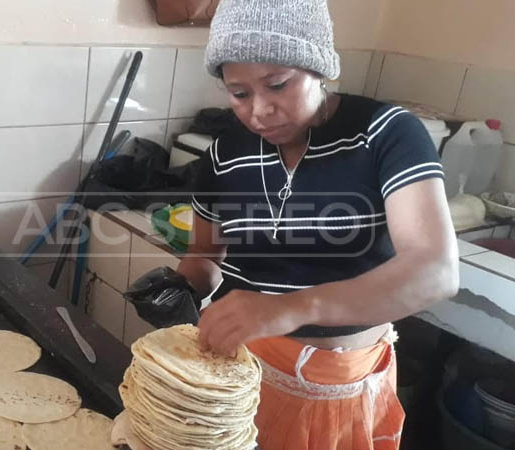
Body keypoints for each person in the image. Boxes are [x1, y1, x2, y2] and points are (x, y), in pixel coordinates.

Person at [176, 0, 460, 448]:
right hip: (236, 379)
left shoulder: (385, 134)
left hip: (340, 389)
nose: (260, 110)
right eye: (239, 94)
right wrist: (177, 290)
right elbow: (204, 259)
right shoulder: (225, 154)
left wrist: (289, 308)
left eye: (277, 85)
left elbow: (435, 270)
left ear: (319, 68)